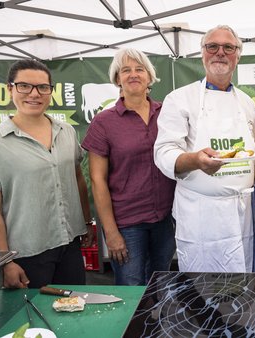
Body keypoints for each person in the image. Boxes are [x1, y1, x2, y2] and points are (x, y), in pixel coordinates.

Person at [0, 59, 93, 289]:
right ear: (10, 89)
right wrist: (5, 261)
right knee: (32, 321)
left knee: (73, 309)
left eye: (43, 87)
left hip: (69, 244)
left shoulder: (66, 131)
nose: (34, 94)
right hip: (26, 254)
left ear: (51, 91)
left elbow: (77, 179)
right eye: (24, 86)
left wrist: (87, 221)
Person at [154, 25, 255, 273]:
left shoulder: (246, 102)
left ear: (238, 55)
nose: (220, 52)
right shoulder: (180, 98)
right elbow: (163, 152)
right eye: (212, 46)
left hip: (241, 215)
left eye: (228, 47)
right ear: (202, 52)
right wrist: (195, 160)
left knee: (240, 285)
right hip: (201, 214)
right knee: (201, 287)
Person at [81, 48, 176, 285]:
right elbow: (97, 180)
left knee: (160, 284)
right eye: (126, 70)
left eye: (139, 69)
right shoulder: (104, 122)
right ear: (117, 79)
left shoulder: (168, 113)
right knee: (130, 290)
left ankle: (156, 323)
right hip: (127, 224)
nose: (134, 75)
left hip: (166, 220)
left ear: (149, 76)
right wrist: (111, 233)